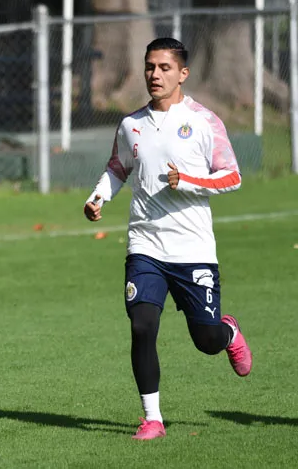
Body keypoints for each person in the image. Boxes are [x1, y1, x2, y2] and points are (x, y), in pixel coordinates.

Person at [84, 38, 252, 440]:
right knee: (142, 325)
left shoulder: (205, 121)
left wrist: (189, 181)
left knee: (206, 340)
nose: (154, 75)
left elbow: (232, 176)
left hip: (193, 248)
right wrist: (98, 196)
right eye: (149, 67)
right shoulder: (130, 124)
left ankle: (226, 332)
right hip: (145, 246)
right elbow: (118, 168)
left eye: (163, 68)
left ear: (183, 74)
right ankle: (152, 418)